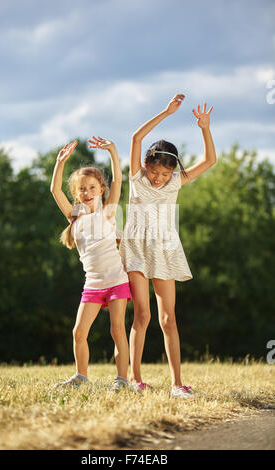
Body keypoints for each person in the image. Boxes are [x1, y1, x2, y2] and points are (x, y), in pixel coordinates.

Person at [119, 94, 217, 397]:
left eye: (164, 174)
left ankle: (177, 384)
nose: (159, 179)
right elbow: (136, 137)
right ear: (146, 164)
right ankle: (135, 378)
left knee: (167, 318)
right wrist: (166, 112)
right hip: (136, 249)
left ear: (172, 171)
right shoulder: (137, 178)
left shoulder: (176, 181)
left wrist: (204, 128)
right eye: (155, 172)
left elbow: (210, 161)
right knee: (142, 316)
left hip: (164, 249)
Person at [50, 137, 132, 391]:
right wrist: (59, 163)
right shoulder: (74, 217)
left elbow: (119, 180)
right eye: (81, 189)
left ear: (101, 189)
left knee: (117, 330)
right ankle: (81, 377)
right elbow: (55, 190)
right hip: (93, 285)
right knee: (78, 333)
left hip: (117, 281)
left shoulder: (107, 212)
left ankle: (122, 380)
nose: (86, 193)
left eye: (91, 188)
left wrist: (113, 151)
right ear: (76, 194)